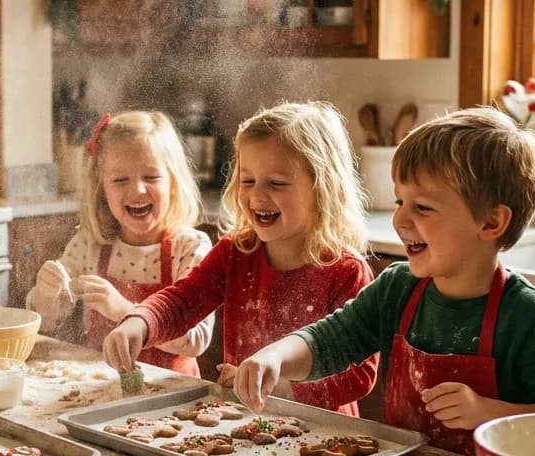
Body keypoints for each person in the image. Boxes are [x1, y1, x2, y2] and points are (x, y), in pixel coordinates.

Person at [219, 106, 535, 454]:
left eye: (422, 207)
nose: (400, 221)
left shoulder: (530, 318)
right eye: (399, 202)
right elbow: (331, 339)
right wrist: (276, 356)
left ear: (490, 223)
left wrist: (487, 412)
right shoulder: (397, 290)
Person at [104, 101, 377, 415]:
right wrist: (140, 322)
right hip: (244, 422)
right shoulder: (236, 254)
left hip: (325, 434)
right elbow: (182, 301)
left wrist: (287, 387)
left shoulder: (345, 272)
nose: (257, 195)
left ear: (322, 187)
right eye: (248, 181)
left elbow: (360, 373)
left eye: (276, 183)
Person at [26, 110, 213, 376]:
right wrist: (47, 292)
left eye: (151, 177)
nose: (137, 190)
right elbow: (45, 322)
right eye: (120, 180)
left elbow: (196, 339)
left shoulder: (189, 248)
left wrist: (124, 311)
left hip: (173, 398)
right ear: (102, 189)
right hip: (103, 390)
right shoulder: (89, 245)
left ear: (173, 183)